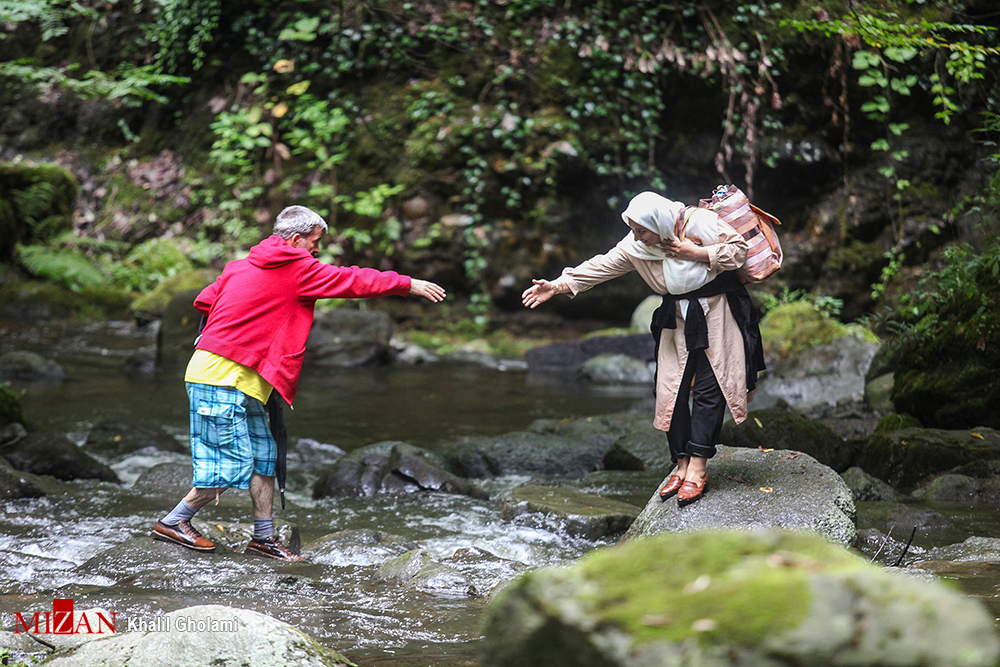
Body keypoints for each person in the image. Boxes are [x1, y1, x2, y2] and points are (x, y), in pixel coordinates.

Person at [152, 205, 446, 560]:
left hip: (241, 377)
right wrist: (407, 283)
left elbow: (206, 299)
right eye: (315, 241)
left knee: (265, 458)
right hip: (220, 377)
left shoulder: (240, 266)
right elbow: (353, 281)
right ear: (295, 240)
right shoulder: (298, 268)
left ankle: (263, 537)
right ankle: (174, 521)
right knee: (230, 466)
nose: (318, 250)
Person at [522, 191, 764, 507]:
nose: (637, 237)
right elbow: (602, 265)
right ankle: (680, 463)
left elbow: (737, 253)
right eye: (633, 229)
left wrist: (696, 253)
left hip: (717, 312)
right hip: (676, 318)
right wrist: (557, 285)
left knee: (710, 388)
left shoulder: (700, 222)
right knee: (669, 390)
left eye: (642, 230)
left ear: (659, 223)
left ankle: (698, 468)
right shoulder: (638, 246)